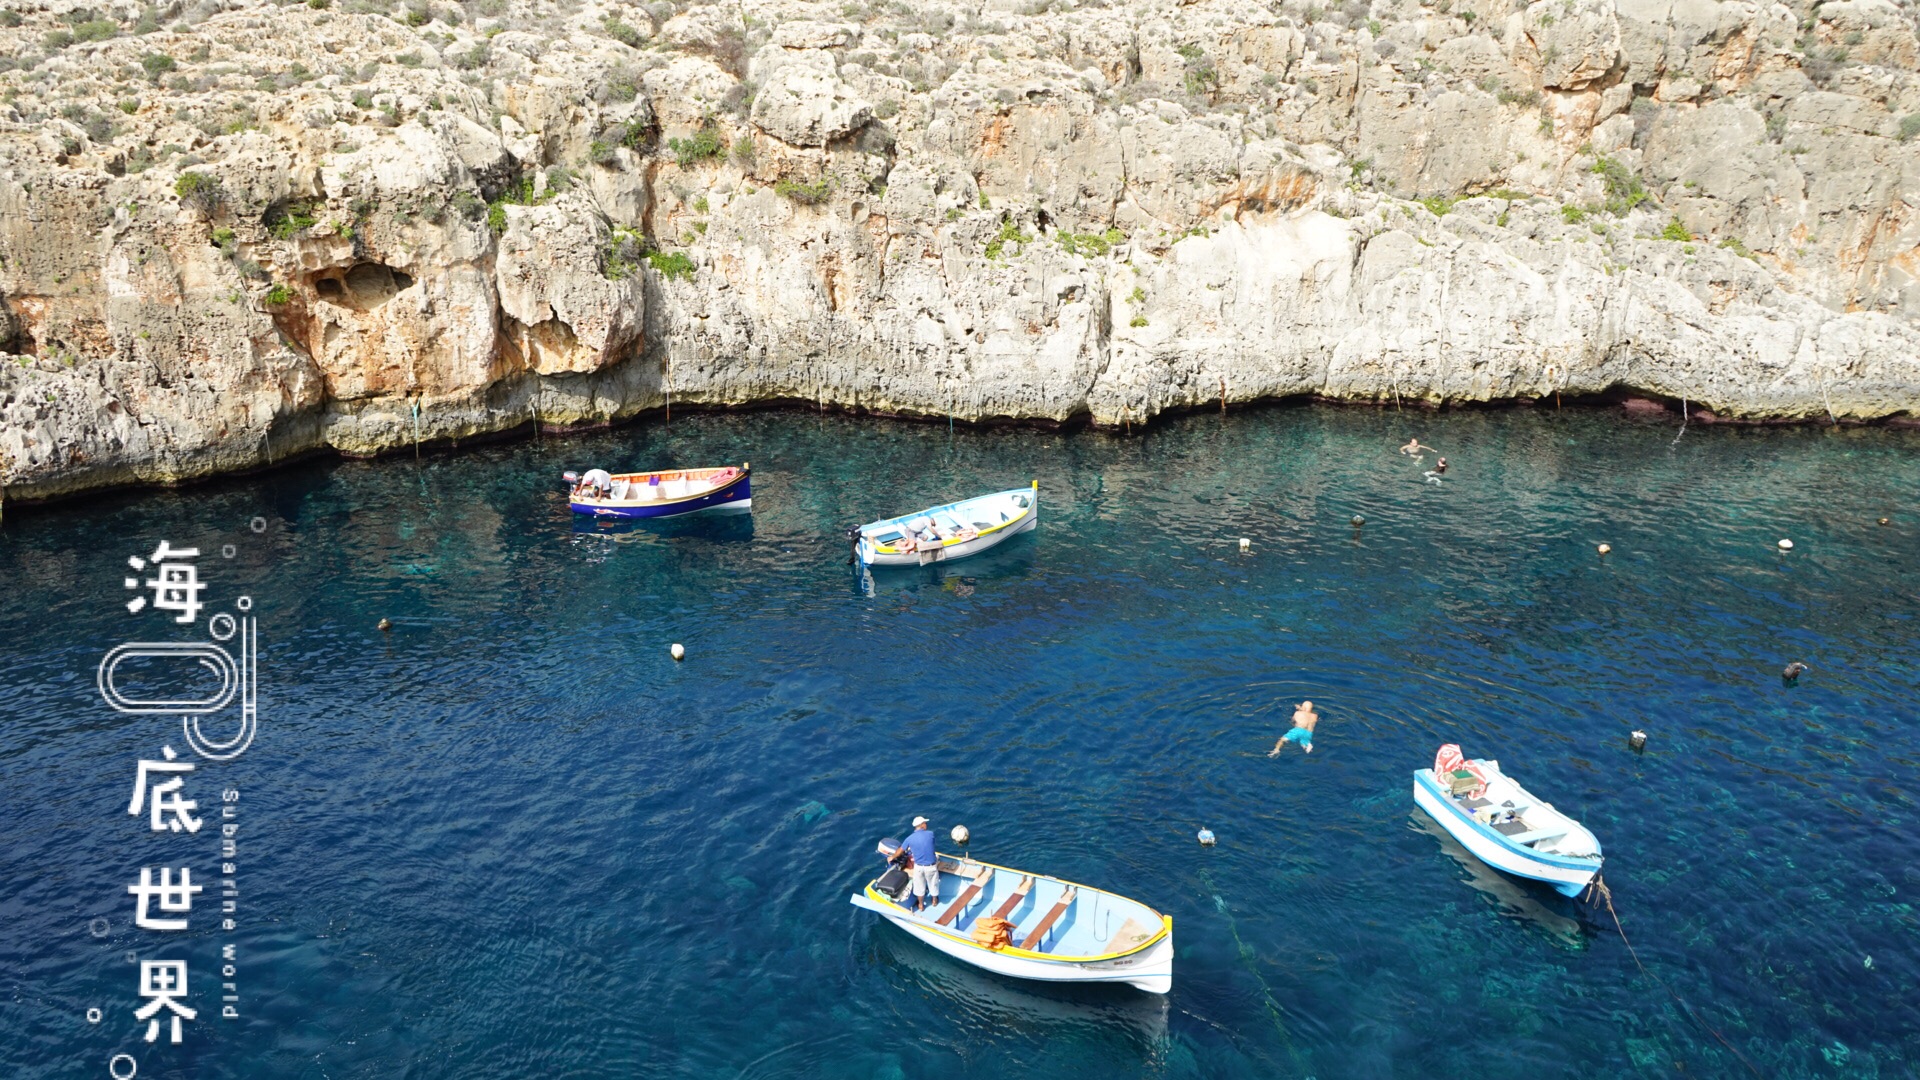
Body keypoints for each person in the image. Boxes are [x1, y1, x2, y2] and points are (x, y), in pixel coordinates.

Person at [900, 815, 940, 914]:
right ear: (921, 825)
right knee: (933, 883)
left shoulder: (909, 839)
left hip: (918, 867)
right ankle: (934, 901)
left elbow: (901, 850)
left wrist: (891, 857)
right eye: (925, 823)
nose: (926, 824)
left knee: (919, 887)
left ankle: (921, 905)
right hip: (931, 866)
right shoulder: (931, 834)